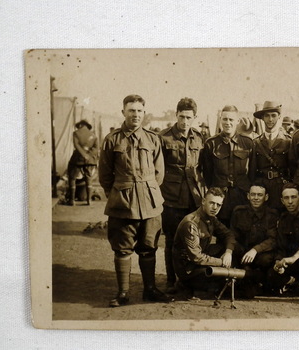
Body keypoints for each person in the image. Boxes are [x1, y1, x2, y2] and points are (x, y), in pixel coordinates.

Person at [98, 94, 171, 307]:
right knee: (122, 248)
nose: (136, 115)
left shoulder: (152, 138)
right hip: (122, 202)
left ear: (144, 113)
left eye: (139, 111)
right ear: (123, 112)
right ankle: (123, 293)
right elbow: (104, 175)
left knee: (149, 247)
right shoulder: (112, 139)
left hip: (149, 202)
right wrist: (118, 193)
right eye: (131, 110)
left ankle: (150, 289)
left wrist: (148, 192)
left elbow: (159, 173)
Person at [159, 97, 205, 294]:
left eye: (188, 117)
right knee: (172, 240)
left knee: (194, 240)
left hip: (193, 197)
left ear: (195, 117)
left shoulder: (199, 137)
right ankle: (171, 280)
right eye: (181, 116)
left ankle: (189, 279)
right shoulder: (163, 137)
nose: (184, 121)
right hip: (171, 198)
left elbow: (201, 168)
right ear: (175, 115)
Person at [172, 187, 236, 296]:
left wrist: (228, 253)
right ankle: (185, 285)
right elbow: (196, 257)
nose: (215, 208)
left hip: (201, 260)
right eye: (212, 203)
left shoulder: (211, 218)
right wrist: (222, 263)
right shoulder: (191, 223)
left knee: (234, 248)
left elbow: (228, 234)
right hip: (189, 269)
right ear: (203, 201)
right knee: (222, 284)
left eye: (218, 205)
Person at [202, 105, 254, 226]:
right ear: (220, 120)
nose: (227, 123)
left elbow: (252, 172)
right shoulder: (211, 144)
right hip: (221, 199)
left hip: (242, 198)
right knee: (222, 234)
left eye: (231, 119)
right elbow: (208, 175)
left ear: (237, 121)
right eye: (224, 119)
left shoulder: (247, 143)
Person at [231, 184, 278, 298]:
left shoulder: (272, 215)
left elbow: (273, 239)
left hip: (260, 255)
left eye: (259, 195)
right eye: (253, 194)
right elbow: (232, 235)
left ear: (266, 197)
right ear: (248, 196)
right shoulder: (238, 212)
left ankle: (260, 281)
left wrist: (255, 250)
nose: (256, 198)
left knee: (266, 259)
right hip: (242, 254)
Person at [252, 101, 291, 211]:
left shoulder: (287, 141)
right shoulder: (256, 143)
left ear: (279, 117)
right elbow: (252, 169)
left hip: (280, 186)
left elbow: (292, 168)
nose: (270, 119)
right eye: (267, 116)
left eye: (273, 115)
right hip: (261, 187)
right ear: (262, 118)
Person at [67, 119, 99, 206]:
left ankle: (72, 200)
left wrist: (83, 154)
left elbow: (76, 145)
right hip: (90, 161)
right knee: (89, 179)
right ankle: (89, 200)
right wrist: (88, 155)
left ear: (80, 125)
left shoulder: (76, 133)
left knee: (72, 177)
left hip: (77, 159)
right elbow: (96, 148)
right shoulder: (93, 135)